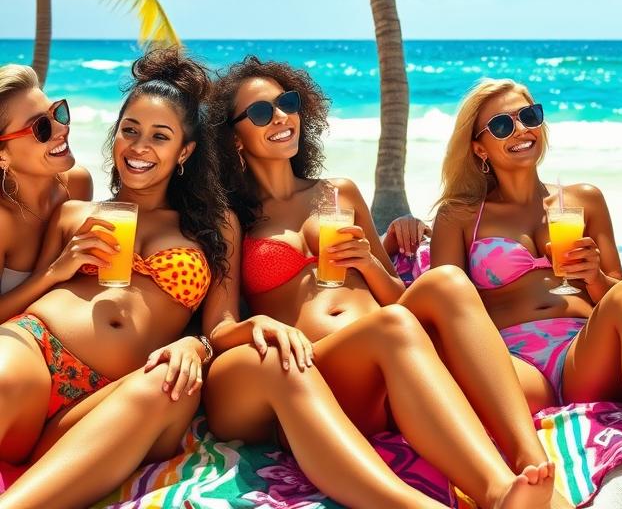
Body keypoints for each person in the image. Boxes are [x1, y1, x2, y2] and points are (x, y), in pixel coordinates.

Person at [202, 56, 557, 509]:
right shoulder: (232, 218)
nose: (280, 117)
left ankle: (526, 456)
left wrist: (370, 263)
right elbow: (218, 327)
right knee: (393, 326)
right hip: (324, 370)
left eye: (287, 103)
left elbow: (396, 296)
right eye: (260, 112)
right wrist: (256, 327)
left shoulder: (339, 192)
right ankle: (494, 490)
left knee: (446, 280)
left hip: (384, 358)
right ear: (235, 137)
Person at [432, 77, 622, 509]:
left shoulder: (584, 200)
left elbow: (620, 295)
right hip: (512, 363)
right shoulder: (459, 215)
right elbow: (445, 306)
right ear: (478, 147)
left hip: (582, 354)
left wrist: (592, 278)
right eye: (501, 126)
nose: (520, 130)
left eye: (529, 117)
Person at [0, 47, 229, 509]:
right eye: (129, 130)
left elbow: (221, 321)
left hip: (115, 393)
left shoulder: (215, 224)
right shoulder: (75, 209)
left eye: (160, 136)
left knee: (172, 386)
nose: (140, 146)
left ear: (185, 150)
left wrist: (196, 344)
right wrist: (60, 267)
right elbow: (37, 291)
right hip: (35, 346)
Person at [0, 65, 92, 314]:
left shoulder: (77, 183)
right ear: (2, 154)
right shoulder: (3, 221)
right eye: (41, 127)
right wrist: (52, 273)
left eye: (57, 113)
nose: (62, 129)